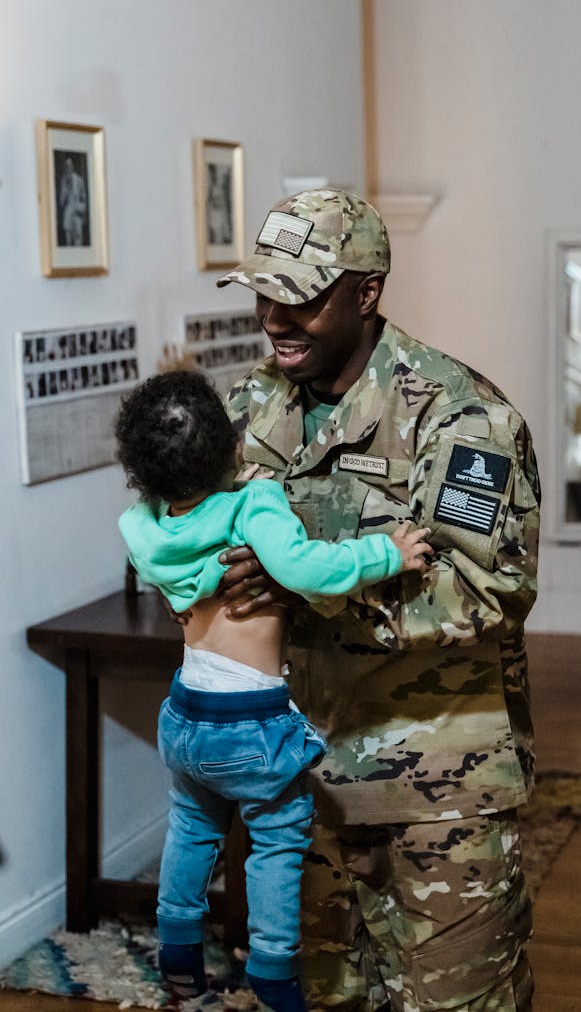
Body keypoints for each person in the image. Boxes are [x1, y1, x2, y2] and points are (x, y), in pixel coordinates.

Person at [214, 189, 542, 1011]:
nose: (275, 318)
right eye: (264, 293)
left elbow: (482, 588)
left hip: (436, 794)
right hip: (293, 784)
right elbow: (191, 537)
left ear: (367, 292)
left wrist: (305, 587)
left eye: (302, 297)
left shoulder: (463, 416)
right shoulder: (250, 406)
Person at [114, 370, 432, 1012]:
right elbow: (305, 568)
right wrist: (388, 554)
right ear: (234, 450)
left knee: (191, 828)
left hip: (184, 716)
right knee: (279, 840)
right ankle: (275, 974)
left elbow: (147, 533)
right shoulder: (252, 506)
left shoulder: (142, 528)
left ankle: (178, 955)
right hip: (250, 723)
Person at [58, 155, 87, 246]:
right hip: (68, 210)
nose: (68, 168)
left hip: (77, 211)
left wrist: (82, 207)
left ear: (73, 166)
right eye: (67, 166)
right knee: (68, 236)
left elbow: (83, 196)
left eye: (70, 165)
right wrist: (66, 189)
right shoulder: (63, 181)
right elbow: (61, 201)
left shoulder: (79, 180)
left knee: (78, 236)